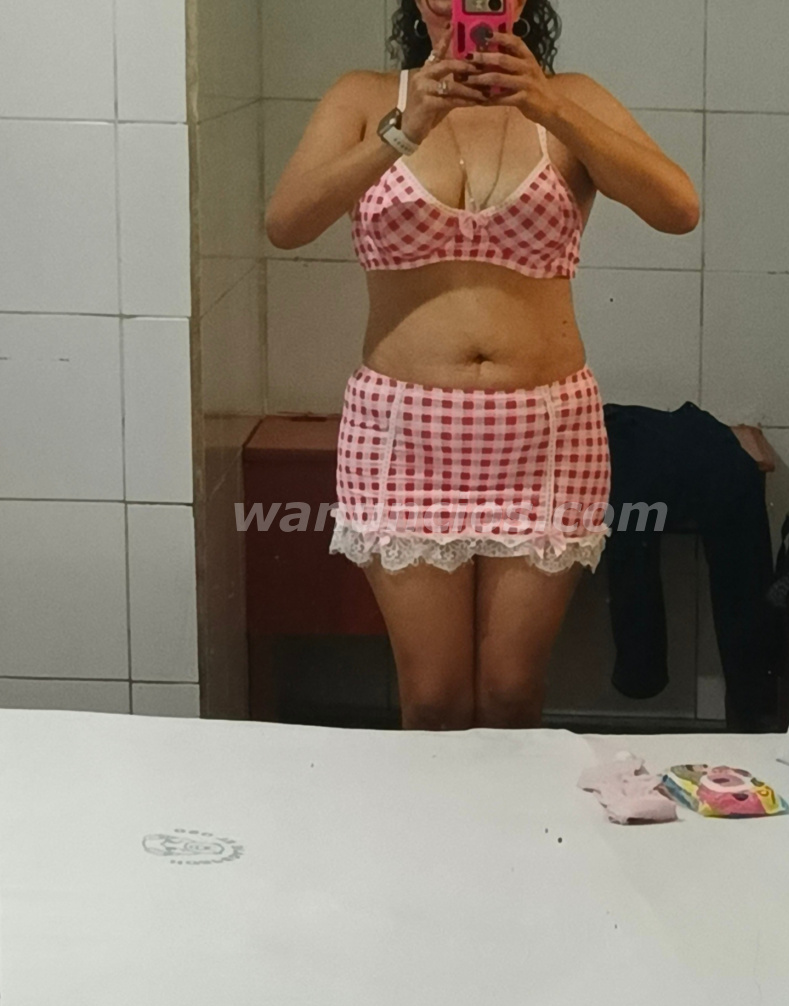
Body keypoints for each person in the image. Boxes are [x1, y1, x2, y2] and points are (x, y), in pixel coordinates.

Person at [266, 0, 700, 731]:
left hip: (545, 434)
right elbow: (286, 223)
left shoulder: (571, 99)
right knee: (432, 697)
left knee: (510, 693)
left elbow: (678, 209)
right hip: (404, 432)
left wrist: (550, 108)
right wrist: (405, 127)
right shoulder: (364, 97)